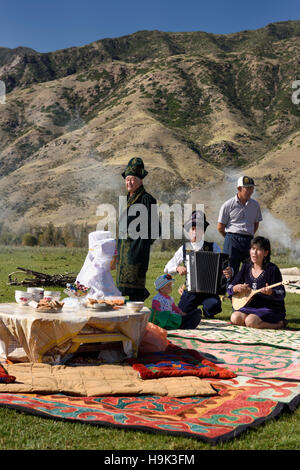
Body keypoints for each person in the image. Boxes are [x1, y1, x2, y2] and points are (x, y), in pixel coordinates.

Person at [164, 210, 232, 320]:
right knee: (182, 312)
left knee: (213, 306)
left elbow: (225, 266)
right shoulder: (184, 248)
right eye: (193, 229)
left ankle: (207, 311)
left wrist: (229, 271)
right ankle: (195, 311)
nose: (195, 232)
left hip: (210, 291)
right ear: (189, 231)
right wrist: (177, 268)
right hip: (191, 291)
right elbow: (167, 268)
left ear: (203, 231)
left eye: (199, 229)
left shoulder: (213, 247)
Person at [116, 157, 159, 301]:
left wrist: (143, 244)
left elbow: (155, 228)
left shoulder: (147, 199)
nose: (129, 182)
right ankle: (125, 313)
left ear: (140, 180)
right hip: (124, 249)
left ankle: (136, 306)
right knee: (122, 287)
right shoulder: (126, 198)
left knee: (134, 286)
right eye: (127, 179)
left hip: (137, 248)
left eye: (132, 179)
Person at [227, 236, 287, 329]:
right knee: (235, 318)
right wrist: (235, 288)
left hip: (269, 308)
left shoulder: (272, 269)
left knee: (251, 321)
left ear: (266, 253)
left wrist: (271, 292)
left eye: (258, 250)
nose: (254, 253)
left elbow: (281, 292)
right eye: (253, 248)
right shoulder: (246, 267)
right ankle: (253, 321)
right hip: (250, 307)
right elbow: (230, 287)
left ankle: (279, 324)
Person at [217, 176, 263, 276]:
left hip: (249, 240)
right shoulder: (228, 205)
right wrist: (229, 238)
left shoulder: (255, 205)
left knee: (251, 270)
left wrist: (248, 235)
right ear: (239, 189)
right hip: (232, 239)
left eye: (252, 188)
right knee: (230, 271)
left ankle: (249, 291)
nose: (251, 191)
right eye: (248, 188)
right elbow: (220, 227)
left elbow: (256, 224)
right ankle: (232, 291)